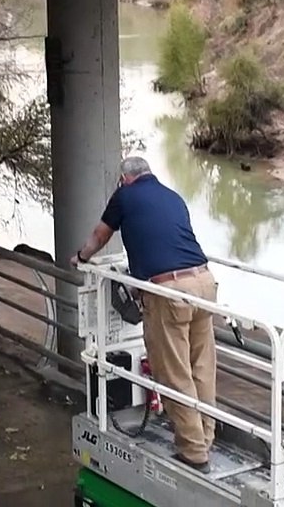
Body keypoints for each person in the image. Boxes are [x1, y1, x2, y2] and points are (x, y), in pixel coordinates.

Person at [70, 156, 219, 472]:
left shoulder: (124, 196)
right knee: (201, 366)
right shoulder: (173, 196)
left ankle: (194, 452)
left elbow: (99, 236)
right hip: (204, 282)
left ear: (125, 178)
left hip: (170, 292)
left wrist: (80, 257)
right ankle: (206, 437)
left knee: (173, 372)